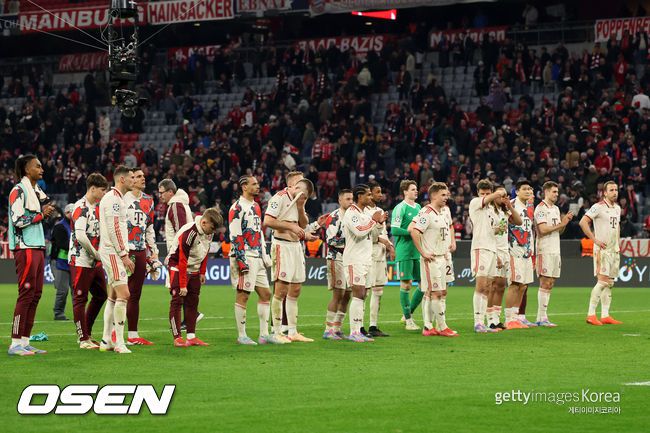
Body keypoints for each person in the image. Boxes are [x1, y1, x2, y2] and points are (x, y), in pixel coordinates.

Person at [8, 155, 56, 356]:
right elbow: (18, 219)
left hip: (37, 245)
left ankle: (25, 341)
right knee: (26, 293)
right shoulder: (18, 190)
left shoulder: (34, 191)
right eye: (38, 166)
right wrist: (41, 215)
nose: (42, 169)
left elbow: (45, 202)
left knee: (35, 294)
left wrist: (45, 210)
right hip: (25, 246)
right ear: (27, 170)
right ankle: (15, 343)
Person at [229, 175, 286, 345]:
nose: (257, 186)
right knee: (243, 294)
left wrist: (265, 254)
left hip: (257, 256)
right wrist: (241, 261)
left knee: (266, 294)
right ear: (244, 187)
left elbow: (258, 232)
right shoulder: (237, 208)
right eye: (254, 184)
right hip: (245, 256)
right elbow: (235, 235)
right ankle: (242, 336)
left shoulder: (255, 206)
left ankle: (264, 335)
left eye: (258, 184)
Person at [264, 171, 315, 342]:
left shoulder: (300, 200)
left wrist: (300, 208)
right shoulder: (279, 198)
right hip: (282, 246)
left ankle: (292, 331)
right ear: (291, 184)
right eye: (300, 183)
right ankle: (276, 332)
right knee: (281, 290)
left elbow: (304, 224)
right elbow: (268, 221)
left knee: (296, 289)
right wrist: (291, 227)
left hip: (296, 247)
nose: (303, 187)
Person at [168, 208, 223, 346]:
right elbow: (182, 258)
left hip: (194, 268)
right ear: (204, 223)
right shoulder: (190, 233)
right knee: (177, 301)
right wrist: (182, 284)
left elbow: (206, 250)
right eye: (212, 228)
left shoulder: (208, 233)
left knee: (193, 301)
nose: (213, 232)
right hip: (178, 266)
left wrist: (202, 272)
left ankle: (191, 337)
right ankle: (177, 337)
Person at [410, 182, 459, 337]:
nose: (446, 197)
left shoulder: (442, 212)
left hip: (442, 257)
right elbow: (414, 232)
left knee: (437, 292)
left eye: (447, 195)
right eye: (443, 195)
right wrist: (423, 252)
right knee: (435, 293)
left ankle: (428, 327)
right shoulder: (426, 213)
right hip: (431, 259)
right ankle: (442, 327)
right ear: (433, 196)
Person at [342, 184, 387, 342]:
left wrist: (379, 223)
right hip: (354, 259)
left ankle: (358, 331)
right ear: (360, 196)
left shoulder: (364, 214)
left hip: (366, 259)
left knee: (363, 294)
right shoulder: (351, 212)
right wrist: (373, 221)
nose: (370, 197)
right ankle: (354, 332)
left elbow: (373, 235)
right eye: (368, 194)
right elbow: (360, 231)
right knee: (358, 293)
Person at [98, 166, 135, 354]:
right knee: (124, 294)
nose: (133, 181)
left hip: (112, 251)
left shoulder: (116, 198)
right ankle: (119, 343)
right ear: (122, 179)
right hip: (113, 252)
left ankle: (106, 340)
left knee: (112, 296)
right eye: (131, 178)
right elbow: (114, 229)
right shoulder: (113, 200)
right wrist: (124, 255)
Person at [69, 173, 109, 349]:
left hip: (94, 261)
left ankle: (87, 333)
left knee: (101, 295)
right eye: (102, 190)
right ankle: (83, 339)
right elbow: (80, 236)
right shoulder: (81, 207)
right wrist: (96, 253)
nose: (104, 193)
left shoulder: (98, 208)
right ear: (92, 189)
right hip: (81, 260)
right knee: (80, 298)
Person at [158, 179, 204, 328]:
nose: (160, 196)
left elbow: (182, 231)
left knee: (177, 290)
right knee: (181, 290)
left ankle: (183, 324)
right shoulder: (180, 204)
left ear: (170, 192)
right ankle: (189, 318)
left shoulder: (176, 206)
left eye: (162, 192)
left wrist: (176, 252)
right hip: (183, 252)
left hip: (179, 254)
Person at [123, 169, 159, 345]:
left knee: (135, 294)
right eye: (138, 176)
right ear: (131, 180)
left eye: (143, 176)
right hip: (124, 251)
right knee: (119, 293)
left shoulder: (148, 200)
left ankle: (132, 335)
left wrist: (153, 252)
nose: (142, 178)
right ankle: (112, 334)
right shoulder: (122, 198)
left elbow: (149, 228)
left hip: (140, 251)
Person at [579, 181, 623, 326]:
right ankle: (591, 314)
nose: (614, 192)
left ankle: (605, 315)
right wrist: (594, 240)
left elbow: (616, 227)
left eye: (616, 190)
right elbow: (583, 222)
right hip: (602, 250)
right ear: (604, 193)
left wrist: (617, 244)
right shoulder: (598, 207)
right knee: (602, 281)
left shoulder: (617, 208)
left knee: (609, 283)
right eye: (611, 190)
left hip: (613, 250)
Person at [534, 181, 574, 327]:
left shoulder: (556, 209)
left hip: (555, 249)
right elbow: (543, 230)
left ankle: (542, 317)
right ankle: (541, 317)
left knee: (551, 282)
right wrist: (561, 224)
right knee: (545, 282)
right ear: (546, 192)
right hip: (544, 249)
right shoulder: (541, 209)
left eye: (557, 192)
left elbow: (559, 231)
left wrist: (565, 223)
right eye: (554, 192)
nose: (557, 194)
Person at [469, 179, 505, 333]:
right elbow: (489, 198)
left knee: (488, 287)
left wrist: (498, 229)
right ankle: (477, 322)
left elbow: (490, 231)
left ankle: (482, 322)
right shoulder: (475, 203)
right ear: (478, 193)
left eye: (487, 193)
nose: (485, 195)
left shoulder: (491, 211)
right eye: (482, 193)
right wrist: (498, 193)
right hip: (480, 248)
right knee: (481, 285)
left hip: (491, 250)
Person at [486, 186, 521, 331]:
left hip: (505, 251)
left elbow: (518, 221)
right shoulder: (488, 211)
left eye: (505, 195)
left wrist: (510, 206)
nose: (503, 197)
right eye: (500, 195)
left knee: (501, 286)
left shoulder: (505, 211)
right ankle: (489, 320)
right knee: (492, 286)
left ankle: (496, 318)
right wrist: (495, 254)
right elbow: (487, 233)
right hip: (494, 250)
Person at [391, 180, 423, 330]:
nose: (416, 191)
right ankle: (409, 321)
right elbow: (394, 230)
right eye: (413, 189)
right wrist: (411, 232)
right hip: (404, 251)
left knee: (424, 285)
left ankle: (407, 314)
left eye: (416, 189)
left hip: (418, 251)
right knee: (406, 284)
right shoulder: (400, 208)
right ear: (405, 192)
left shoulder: (419, 207)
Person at [505, 180, 537, 329]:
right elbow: (503, 225)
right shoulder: (510, 204)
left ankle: (516, 317)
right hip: (514, 250)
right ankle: (508, 319)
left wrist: (532, 251)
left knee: (523, 286)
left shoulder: (529, 207)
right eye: (524, 189)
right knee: (514, 284)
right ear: (517, 192)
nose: (528, 191)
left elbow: (530, 231)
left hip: (527, 251)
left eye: (529, 189)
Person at [322, 189, 353, 340]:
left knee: (347, 295)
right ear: (340, 201)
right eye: (347, 199)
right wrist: (351, 244)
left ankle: (337, 327)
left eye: (352, 199)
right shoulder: (334, 217)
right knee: (338, 294)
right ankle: (328, 330)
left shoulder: (354, 216)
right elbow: (331, 241)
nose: (351, 202)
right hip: (336, 258)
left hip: (350, 259)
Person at [364, 181, 394, 337]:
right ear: (369, 193)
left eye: (380, 192)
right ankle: (359, 326)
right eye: (377, 192)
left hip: (380, 255)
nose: (380, 195)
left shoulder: (380, 210)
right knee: (364, 292)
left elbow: (384, 233)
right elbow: (365, 235)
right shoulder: (362, 211)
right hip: (367, 255)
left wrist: (390, 246)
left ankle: (373, 326)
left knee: (378, 291)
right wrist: (382, 240)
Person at [51, 203, 74, 321]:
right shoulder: (60, 226)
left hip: (74, 262)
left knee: (76, 291)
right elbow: (61, 244)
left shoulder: (77, 225)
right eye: (72, 212)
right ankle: (58, 313)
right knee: (63, 290)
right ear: (66, 213)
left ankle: (78, 312)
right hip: (62, 262)